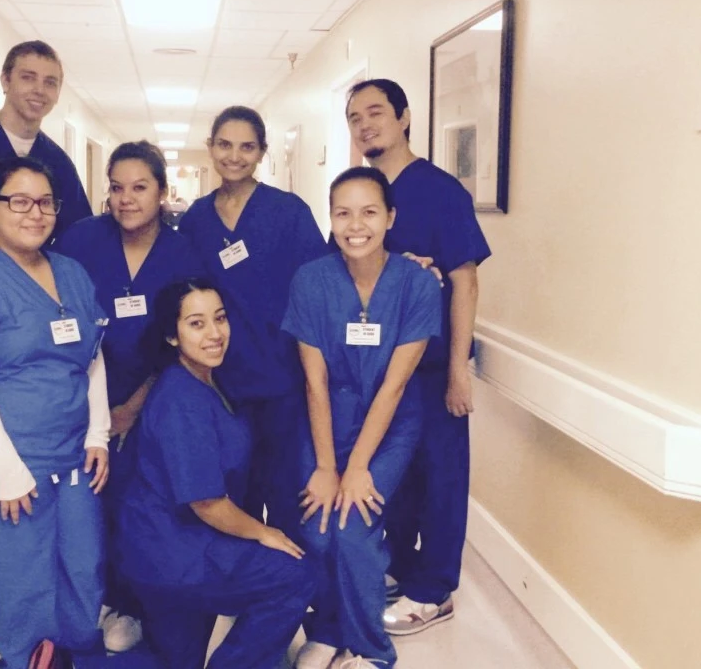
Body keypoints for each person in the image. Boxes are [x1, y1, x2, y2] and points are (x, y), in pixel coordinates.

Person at [0, 159, 110, 669]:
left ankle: (72, 652)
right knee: (22, 572)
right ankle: (23, 658)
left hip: (75, 449)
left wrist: (98, 433)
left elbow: (93, 357)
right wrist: (7, 472)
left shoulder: (72, 274)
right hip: (12, 456)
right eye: (19, 201)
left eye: (46, 202)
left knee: (83, 562)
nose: (35, 213)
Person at [344, 79, 491, 635]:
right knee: (396, 480)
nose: (364, 125)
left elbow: (466, 280)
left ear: (405, 118)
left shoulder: (438, 190)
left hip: (429, 371)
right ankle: (402, 571)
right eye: (354, 116)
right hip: (379, 373)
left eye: (375, 112)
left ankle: (434, 591)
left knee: (441, 478)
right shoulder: (365, 193)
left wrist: (457, 370)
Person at [285, 167, 442, 669]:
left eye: (369, 211)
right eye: (343, 212)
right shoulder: (311, 280)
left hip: (390, 425)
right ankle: (329, 629)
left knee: (353, 525)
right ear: (330, 219)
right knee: (316, 522)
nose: (356, 224)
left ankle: (371, 650)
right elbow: (316, 383)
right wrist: (329, 466)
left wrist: (357, 469)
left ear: (390, 217)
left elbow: (394, 386)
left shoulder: (417, 284)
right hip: (327, 416)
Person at [117, 279, 316, 669]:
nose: (214, 334)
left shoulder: (208, 379)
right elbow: (206, 502)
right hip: (175, 554)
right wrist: (264, 532)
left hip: (162, 551)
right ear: (172, 336)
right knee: (295, 573)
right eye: (196, 324)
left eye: (220, 319)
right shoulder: (181, 401)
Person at [60, 141, 205, 653]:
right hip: (83, 393)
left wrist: (133, 407)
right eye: (117, 187)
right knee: (91, 503)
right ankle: (99, 598)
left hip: (156, 396)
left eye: (140, 187)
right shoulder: (80, 241)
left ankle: (135, 604)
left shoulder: (182, 252)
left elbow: (182, 342)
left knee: (146, 504)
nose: (126, 199)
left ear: (163, 193)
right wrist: (99, 409)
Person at [178, 106, 327, 534]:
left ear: (262, 152)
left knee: (285, 490)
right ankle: (236, 583)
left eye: (247, 147)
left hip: (282, 376)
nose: (234, 156)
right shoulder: (197, 220)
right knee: (230, 487)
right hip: (221, 381)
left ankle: (286, 590)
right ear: (210, 147)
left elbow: (320, 284)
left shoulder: (288, 212)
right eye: (225, 144)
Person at [0, 40, 91, 246]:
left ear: (58, 93)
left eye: (50, 82)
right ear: (5, 81)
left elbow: (77, 232)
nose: (39, 90)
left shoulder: (59, 163)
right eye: (28, 78)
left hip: (31, 275)